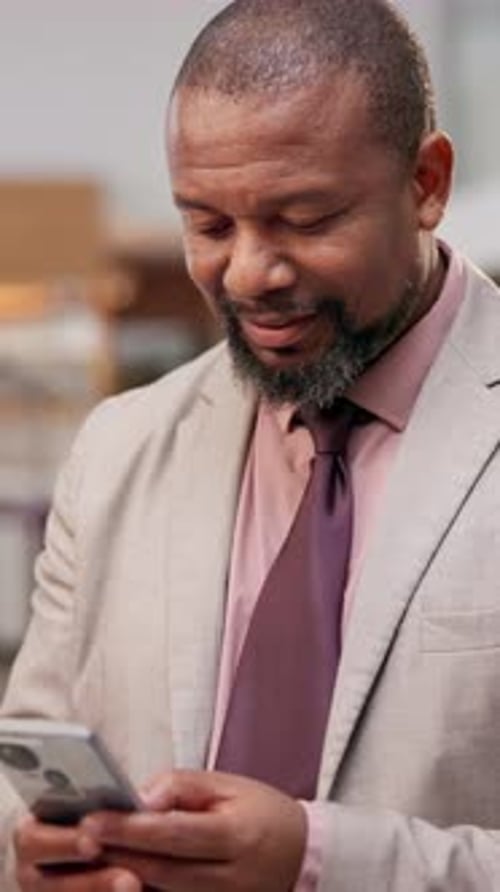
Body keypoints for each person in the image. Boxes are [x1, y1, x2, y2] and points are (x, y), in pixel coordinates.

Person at [2, 0, 500, 889]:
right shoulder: (120, 450)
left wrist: (319, 861)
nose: (249, 275)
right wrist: (29, 859)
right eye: (209, 224)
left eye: (305, 220)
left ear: (426, 184)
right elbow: (23, 782)